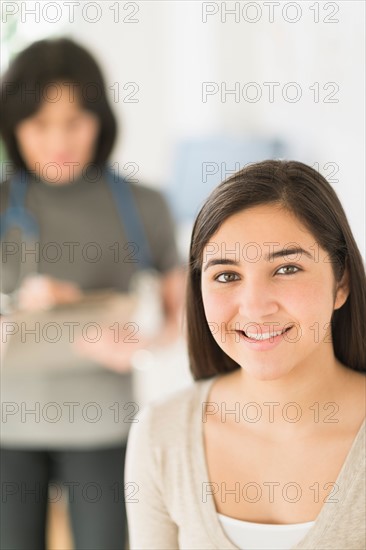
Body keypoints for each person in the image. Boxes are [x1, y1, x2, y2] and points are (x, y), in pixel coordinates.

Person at [125, 160, 366, 550]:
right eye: (226, 275)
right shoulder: (160, 432)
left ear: (341, 283)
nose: (254, 307)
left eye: (287, 268)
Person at [0, 38, 182, 550]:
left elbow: (180, 318)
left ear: (101, 119)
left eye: (75, 122)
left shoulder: (145, 205)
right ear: (14, 127)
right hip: (6, 431)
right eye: (39, 124)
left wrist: (142, 345)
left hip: (102, 429)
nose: (59, 141)